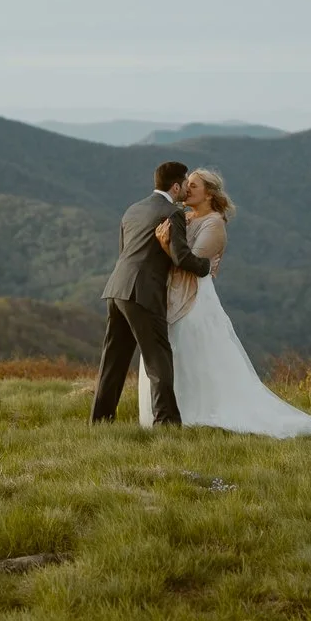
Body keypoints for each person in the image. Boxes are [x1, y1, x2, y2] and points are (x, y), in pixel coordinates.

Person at [139, 168, 311, 438]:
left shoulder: (214, 224)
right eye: (186, 185)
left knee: (192, 351)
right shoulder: (184, 218)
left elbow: (193, 263)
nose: (186, 190)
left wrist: (166, 247)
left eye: (194, 186)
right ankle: (168, 413)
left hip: (194, 298)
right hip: (169, 294)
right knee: (169, 352)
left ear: (209, 193)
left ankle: (194, 413)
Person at [92, 160, 208, 426]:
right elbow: (180, 257)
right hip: (143, 293)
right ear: (175, 186)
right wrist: (205, 266)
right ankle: (166, 423)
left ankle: (100, 422)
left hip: (116, 289)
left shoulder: (133, 209)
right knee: (158, 359)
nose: (185, 192)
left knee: (113, 360)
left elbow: (124, 251)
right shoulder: (172, 213)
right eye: (184, 185)